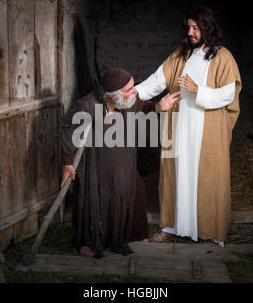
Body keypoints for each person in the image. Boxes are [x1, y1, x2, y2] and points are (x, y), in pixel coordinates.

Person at [135, 5, 242, 247]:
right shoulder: (179, 56)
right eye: (189, 27)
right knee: (176, 177)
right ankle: (170, 226)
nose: (191, 32)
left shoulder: (222, 56)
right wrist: (129, 92)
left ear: (208, 28)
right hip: (179, 129)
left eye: (196, 27)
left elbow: (227, 95)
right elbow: (154, 83)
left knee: (208, 179)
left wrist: (198, 90)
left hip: (207, 131)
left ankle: (210, 232)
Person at [60, 68, 181, 258]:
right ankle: (88, 242)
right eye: (130, 89)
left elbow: (143, 107)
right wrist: (67, 163)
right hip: (96, 165)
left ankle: (130, 235)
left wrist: (159, 106)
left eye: (133, 87)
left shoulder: (129, 101)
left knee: (135, 188)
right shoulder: (87, 105)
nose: (135, 91)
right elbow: (68, 132)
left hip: (122, 161)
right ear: (114, 96)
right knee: (94, 200)